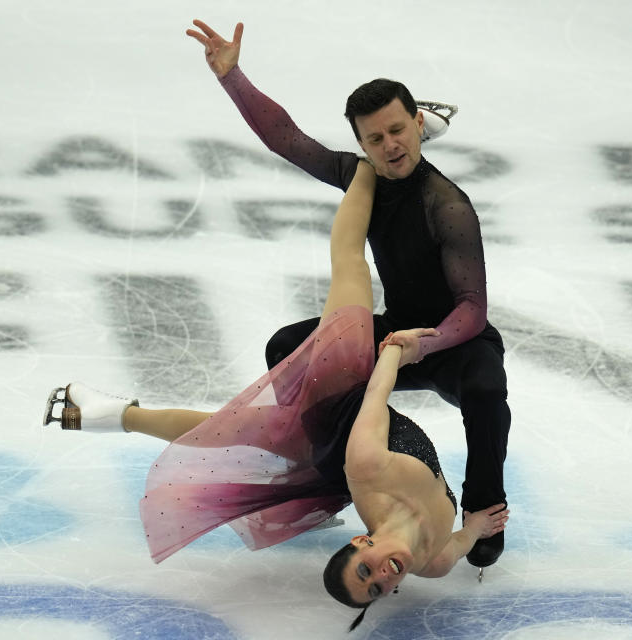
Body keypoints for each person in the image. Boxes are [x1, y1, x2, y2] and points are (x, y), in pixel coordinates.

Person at [44, 161, 509, 630]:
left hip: (338, 402)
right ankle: (116, 415)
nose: (382, 579)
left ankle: (363, 171)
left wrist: (393, 351)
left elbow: (373, 399)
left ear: (360, 543)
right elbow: (462, 540)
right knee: (224, 430)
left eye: (364, 571)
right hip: (331, 465)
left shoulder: (370, 467)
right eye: (375, 590)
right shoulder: (435, 562)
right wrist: (478, 529)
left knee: (349, 265)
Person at [185, 19, 511, 574]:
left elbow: (472, 308)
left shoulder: (447, 204)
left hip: (452, 341)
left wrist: (422, 345)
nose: (390, 146)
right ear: (361, 143)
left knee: (486, 389)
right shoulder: (365, 177)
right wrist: (233, 76)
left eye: (398, 130)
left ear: (416, 124)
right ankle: (332, 473)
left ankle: (485, 507)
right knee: (288, 348)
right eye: (375, 139)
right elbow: (289, 141)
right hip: (394, 334)